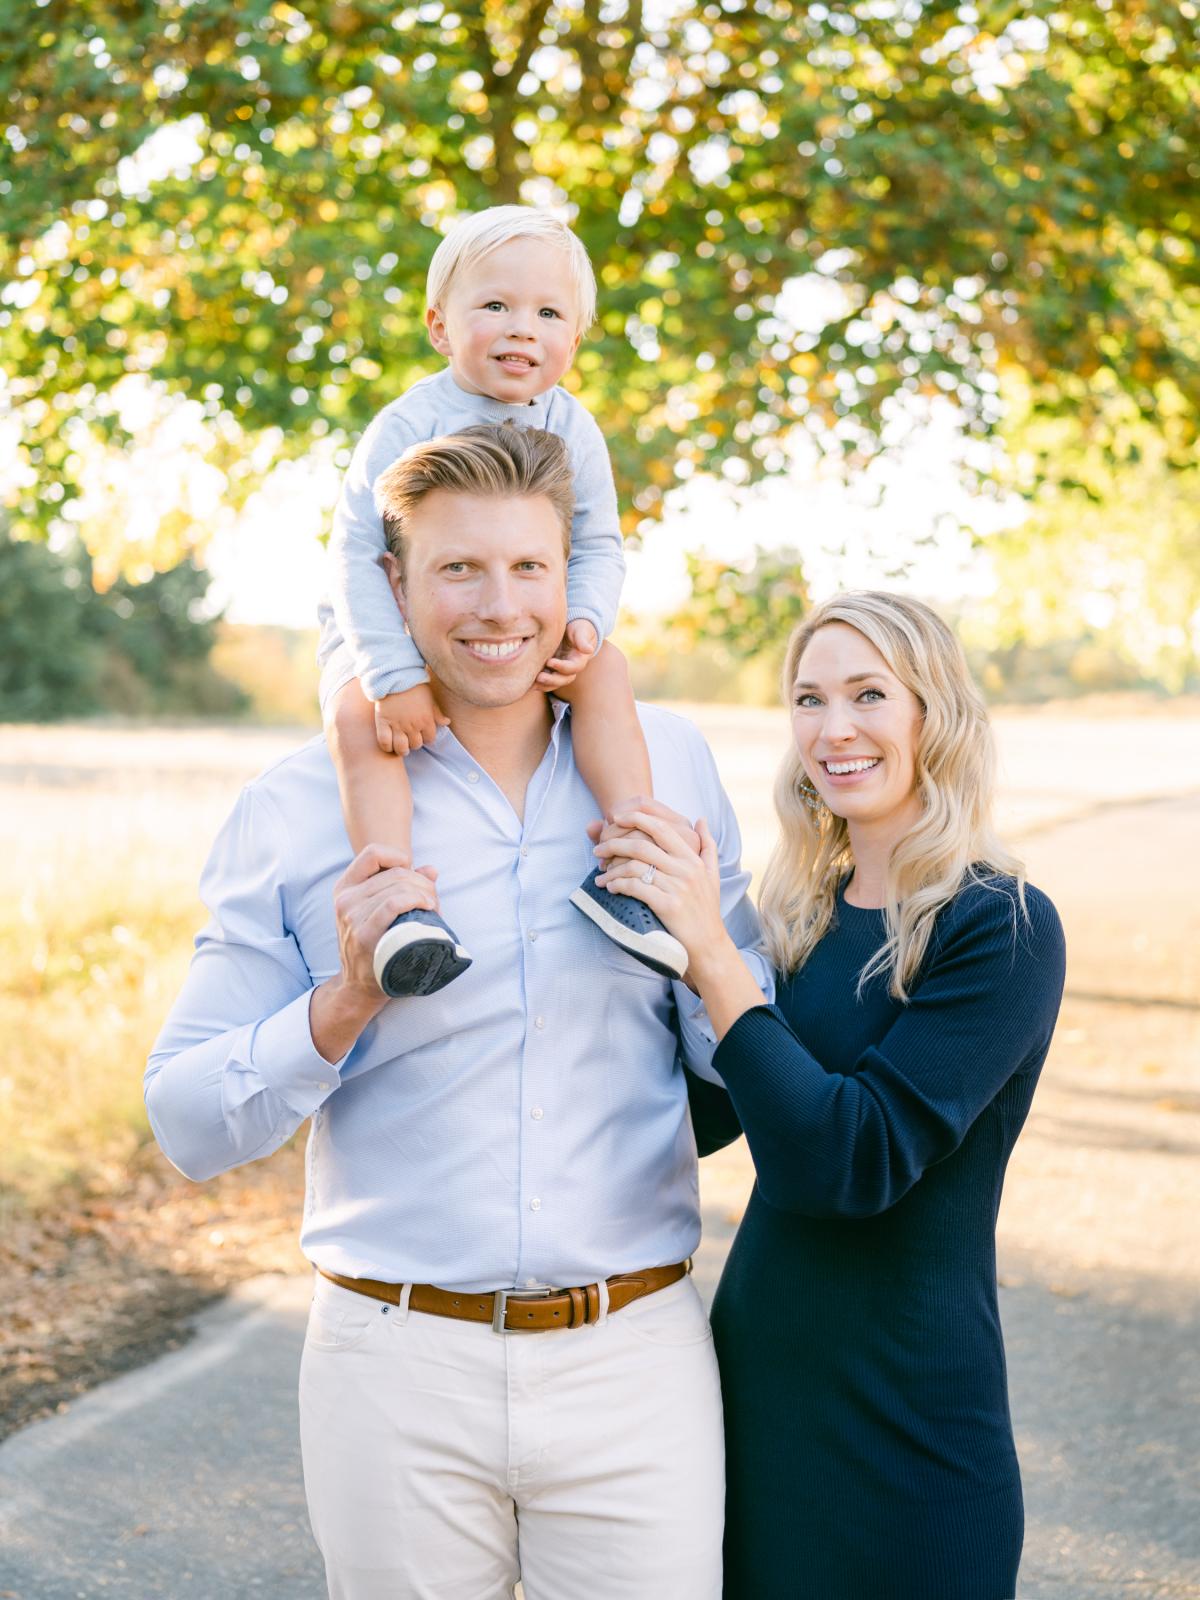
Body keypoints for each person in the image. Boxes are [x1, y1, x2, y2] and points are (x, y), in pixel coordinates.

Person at [145, 423, 770, 1600]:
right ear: (394, 586)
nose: (500, 605)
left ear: (569, 576)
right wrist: (342, 1000)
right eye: (458, 569)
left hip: (636, 1358)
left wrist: (703, 949)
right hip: (391, 1366)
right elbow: (186, 1120)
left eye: (530, 567)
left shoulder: (670, 770)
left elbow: (742, 1071)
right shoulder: (297, 808)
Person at [591, 590, 1067, 1600]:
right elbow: (704, 1113)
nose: (833, 728)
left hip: (915, 1429)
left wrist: (712, 959)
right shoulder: (793, 917)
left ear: (932, 712)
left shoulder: (1003, 925)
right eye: (808, 699)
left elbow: (848, 1161)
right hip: (755, 1403)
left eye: (867, 694)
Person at [318, 204, 684, 998]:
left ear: (573, 341)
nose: (523, 328)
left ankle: (630, 868)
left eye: (549, 313)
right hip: (386, 622)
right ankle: (399, 907)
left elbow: (595, 544)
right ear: (441, 326)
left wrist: (583, 621)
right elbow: (353, 555)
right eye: (495, 306)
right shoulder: (408, 424)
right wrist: (391, 674)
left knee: (607, 673)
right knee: (358, 720)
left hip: (517, 625)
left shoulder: (573, 428)